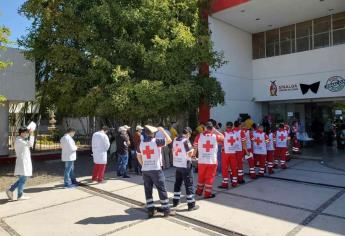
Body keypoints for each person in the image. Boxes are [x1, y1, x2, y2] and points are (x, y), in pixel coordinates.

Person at [136, 125, 174, 218]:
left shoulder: (140, 144)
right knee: (161, 189)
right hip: (156, 169)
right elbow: (169, 140)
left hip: (145, 170)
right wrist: (163, 131)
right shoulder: (156, 141)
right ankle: (166, 210)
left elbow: (138, 156)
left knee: (148, 190)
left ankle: (150, 211)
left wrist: (143, 165)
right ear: (152, 133)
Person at [194, 121, 224, 198]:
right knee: (209, 177)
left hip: (201, 161)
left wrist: (194, 155)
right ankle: (207, 194)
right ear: (212, 128)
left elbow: (195, 147)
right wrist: (215, 131)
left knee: (201, 176)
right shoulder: (215, 136)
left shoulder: (199, 136)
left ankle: (199, 191)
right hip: (212, 161)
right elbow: (223, 137)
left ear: (205, 128)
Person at [172, 127, 199, 211]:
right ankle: (191, 205)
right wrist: (194, 158)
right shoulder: (185, 141)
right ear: (188, 134)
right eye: (189, 136)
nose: (189, 137)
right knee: (189, 185)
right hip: (185, 165)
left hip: (177, 165)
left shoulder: (175, 139)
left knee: (178, 183)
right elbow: (190, 152)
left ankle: (175, 201)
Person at [6, 127, 34, 201]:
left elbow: (29, 144)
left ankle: (11, 190)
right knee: (23, 179)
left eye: (27, 132)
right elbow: (31, 144)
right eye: (26, 132)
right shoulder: (19, 140)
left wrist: (29, 135)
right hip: (22, 162)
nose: (27, 134)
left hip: (23, 162)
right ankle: (19, 195)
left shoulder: (21, 140)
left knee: (22, 179)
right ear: (21, 133)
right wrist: (32, 134)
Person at [219, 122, 238, 189]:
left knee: (225, 168)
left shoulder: (224, 134)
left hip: (225, 153)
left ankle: (225, 183)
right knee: (233, 167)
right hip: (233, 152)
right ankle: (234, 182)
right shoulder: (235, 134)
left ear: (226, 126)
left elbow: (220, 142)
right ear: (232, 127)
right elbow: (236, 142)